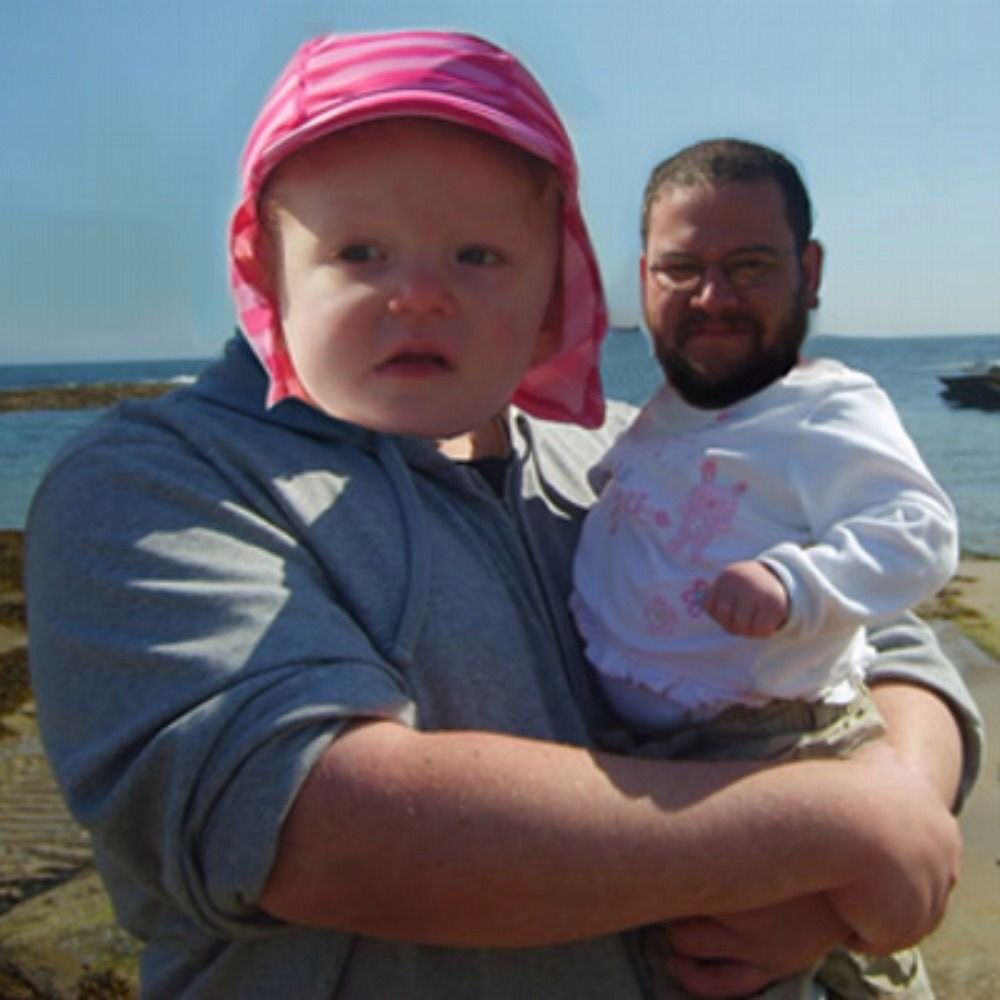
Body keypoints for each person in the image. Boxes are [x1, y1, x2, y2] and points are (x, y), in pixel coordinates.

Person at [24, 30, 980, 1000]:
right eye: (358, 250)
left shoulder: (636, 449)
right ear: (263, 266)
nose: (419, 295)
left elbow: (892, 642)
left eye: (478, 253)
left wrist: (882, 833)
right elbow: (312, 824)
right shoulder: (158, 484)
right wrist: (820, 832)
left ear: (555, 283)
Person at [571, 139, 961, 997]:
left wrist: (797, 582)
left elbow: (920, 532)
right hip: (651, 755)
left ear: (808, 272)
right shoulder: (657, 415)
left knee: (805, 965)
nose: (712, 296)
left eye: (749, 265)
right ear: (642, 278)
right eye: (682, 269)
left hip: (779, 742)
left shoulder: (825, 407)